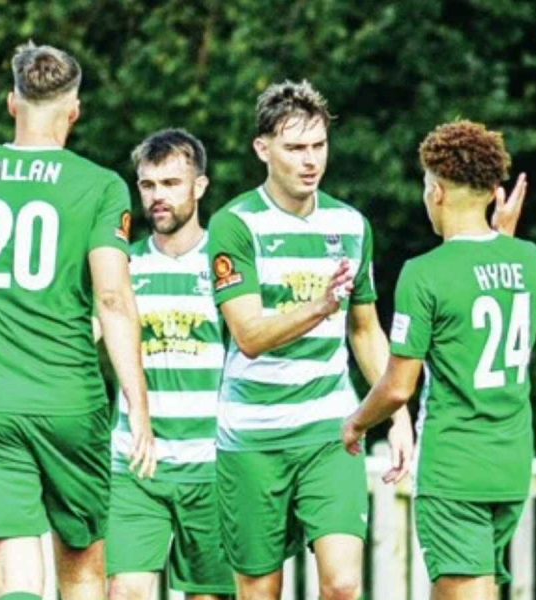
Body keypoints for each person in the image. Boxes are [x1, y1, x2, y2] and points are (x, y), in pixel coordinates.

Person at [0, 42, 156, 600]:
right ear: (74, 110)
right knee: (84, 564)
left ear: (11, 103)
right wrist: (139, 403)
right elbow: (114, 300)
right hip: (70, 400)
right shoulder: (99, 185)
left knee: (15, 571)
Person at [208, 79, 414, 600]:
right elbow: (250, 335)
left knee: (343, 585)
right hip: (252, 435)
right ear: (263, 149)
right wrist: (319, 305)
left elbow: (365, 330)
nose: (310, 160)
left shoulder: (350, 224)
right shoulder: (235, 225)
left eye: (318, 146)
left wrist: (399, 416)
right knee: (260, 591)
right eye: (295, 148)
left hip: (331, 428)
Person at [342, 120, 536, 600]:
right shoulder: (529, 259)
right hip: (511, 465)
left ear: (437, 193)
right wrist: (501, 231)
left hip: (456, 469)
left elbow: (397, 386)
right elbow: (491, 270)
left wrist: (355, 424)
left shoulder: (423, 274)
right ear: (493, 192)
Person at [106, 129, 233, 600]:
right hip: (137, 465)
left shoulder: (227, 264)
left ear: (199, 187)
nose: (158, 196)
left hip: (214, 465)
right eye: (148, 185)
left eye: (171, 183)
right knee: (126, 591)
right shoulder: (122, 266)